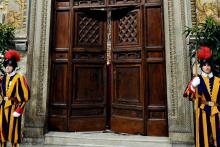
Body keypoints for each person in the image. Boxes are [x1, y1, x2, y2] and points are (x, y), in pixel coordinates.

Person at [184, 46, 220, 147]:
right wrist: (192, 86)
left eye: (208, 65)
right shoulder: (197, 79)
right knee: (204, 137)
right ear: (201, 67)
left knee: (217, 135)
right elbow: (187, 95)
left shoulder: (218, 80)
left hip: (216, 111)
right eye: (204, 65)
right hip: (203, 111)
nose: (207, 67)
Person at [0, 50, 30, 147]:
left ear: (14, 66)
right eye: (6, 65)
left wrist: (19, 109)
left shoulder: (19, 78)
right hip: (3, 108)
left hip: (14, 108)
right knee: (2, 132)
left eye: (9, 65)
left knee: (13, 134)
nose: (7, 67)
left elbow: (26, 96)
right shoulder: (2, 78)